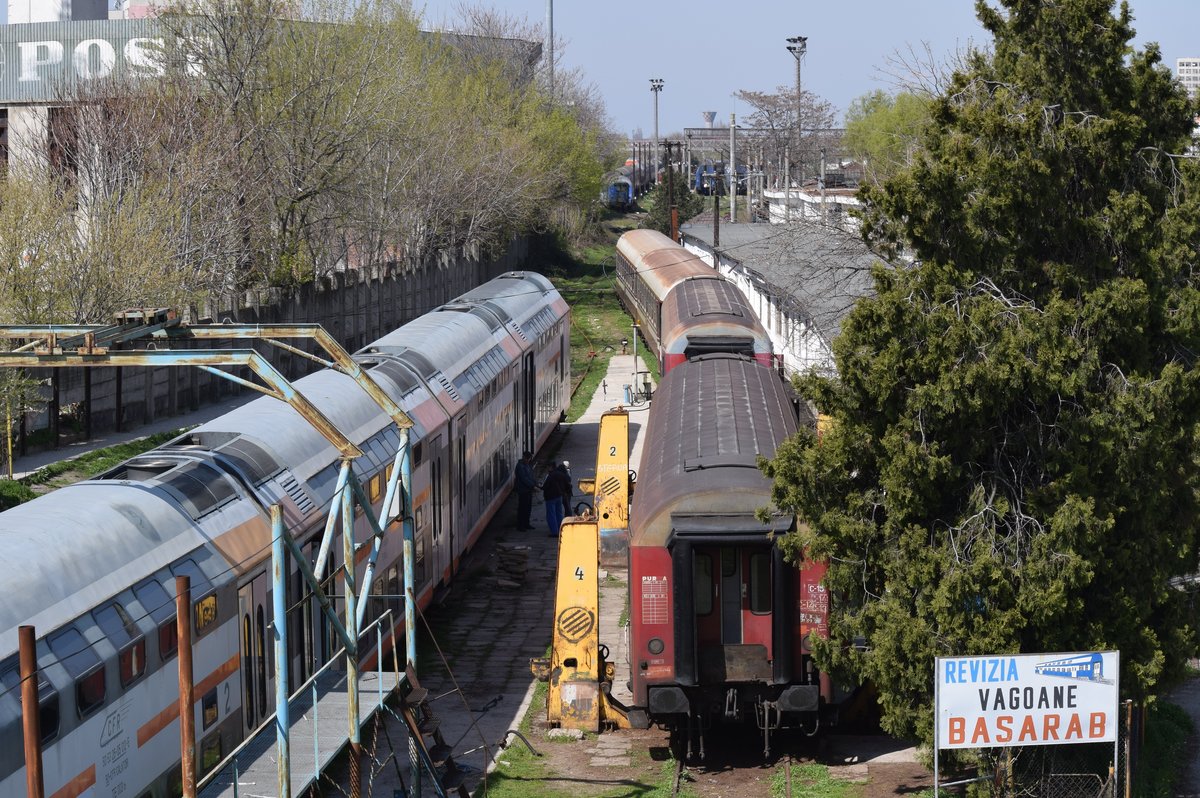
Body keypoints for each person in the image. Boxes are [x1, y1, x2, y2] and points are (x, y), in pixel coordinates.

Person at [542, 461, 572, 536]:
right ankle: (560, 529)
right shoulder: (561, 474)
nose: (547, 469)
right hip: (559, 496)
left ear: (551, 467)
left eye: (548, 467)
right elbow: (568, 483)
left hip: (551, 497)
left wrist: (539, 487)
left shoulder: (550, 475)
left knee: (551, 515)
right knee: (559, 513)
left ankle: (554, 532)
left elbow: (545, 487)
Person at [514, 450, 535, 531]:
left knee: (528, 508)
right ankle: (520, 526)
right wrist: (533, 485)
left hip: (528, 490)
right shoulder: (520, 466)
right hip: (523, 490)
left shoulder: (527, 465)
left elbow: (531, 476)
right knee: (522, 508)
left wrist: (535, 483)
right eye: (527, 459)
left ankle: (526, 523)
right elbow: (524, 478)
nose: (528, 460)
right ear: (524, 458)